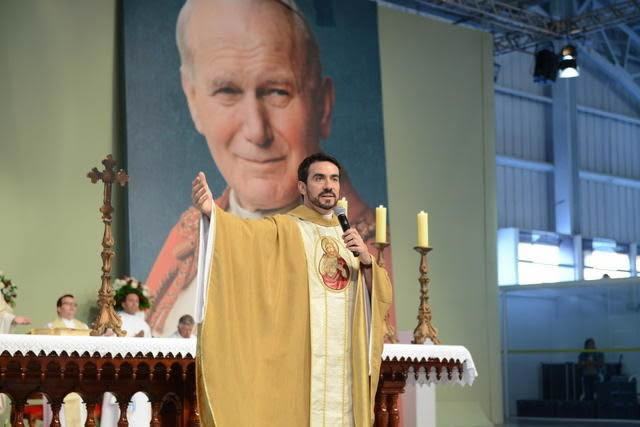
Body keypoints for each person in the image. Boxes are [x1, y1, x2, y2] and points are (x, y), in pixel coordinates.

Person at [145, 0, 384, 335]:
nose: (257, 131)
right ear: (193, 101)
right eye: (227, 91)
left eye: (277, 91)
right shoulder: (186, 241)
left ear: (324, 106)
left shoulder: (370, 252)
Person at [192, 153, 392, 425]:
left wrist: (367, 262)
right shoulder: (286, 228)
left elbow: (379, 297)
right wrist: (212, 213)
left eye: (334, 179)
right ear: (302, 187)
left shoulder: (348, 236)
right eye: (319, 178)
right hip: (303, 369)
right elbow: (244, 238)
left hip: (347, 367)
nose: (328, 186)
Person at [100, 288, 152, 427]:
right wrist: (133, 339)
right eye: (131, 300)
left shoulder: (144, 325)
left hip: (139, 374)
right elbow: (108, 341)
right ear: (123, 303)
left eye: (136, 301)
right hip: (119, 371)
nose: (134, 303)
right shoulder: (116, 319)